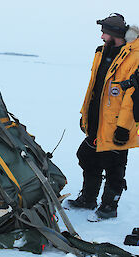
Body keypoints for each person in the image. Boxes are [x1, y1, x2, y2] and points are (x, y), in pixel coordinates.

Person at [68, 13, 139, 221]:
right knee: (87, 156)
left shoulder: (133, 57)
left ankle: (109, 206)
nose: (101, 37)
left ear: (115, 33)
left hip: (118, 124)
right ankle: (88, 198)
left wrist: (124, 127)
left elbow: (133, 97)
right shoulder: (102, 52)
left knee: (115, 166)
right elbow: (94, 88)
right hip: (97, 121)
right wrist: (86, 116)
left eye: (104, 33)